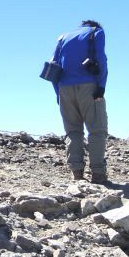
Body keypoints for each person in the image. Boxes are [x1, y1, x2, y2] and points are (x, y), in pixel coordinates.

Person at [49, 20, 109, 183]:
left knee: (73, 131)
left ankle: (77, 173)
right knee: (97, 129)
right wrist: (101, 87)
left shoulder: (63, 37)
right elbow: (101, 59)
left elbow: (53, 66)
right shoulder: (96, 32)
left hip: (64, 88)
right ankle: (98, 174)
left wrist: (58, 94)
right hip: (88, 86)